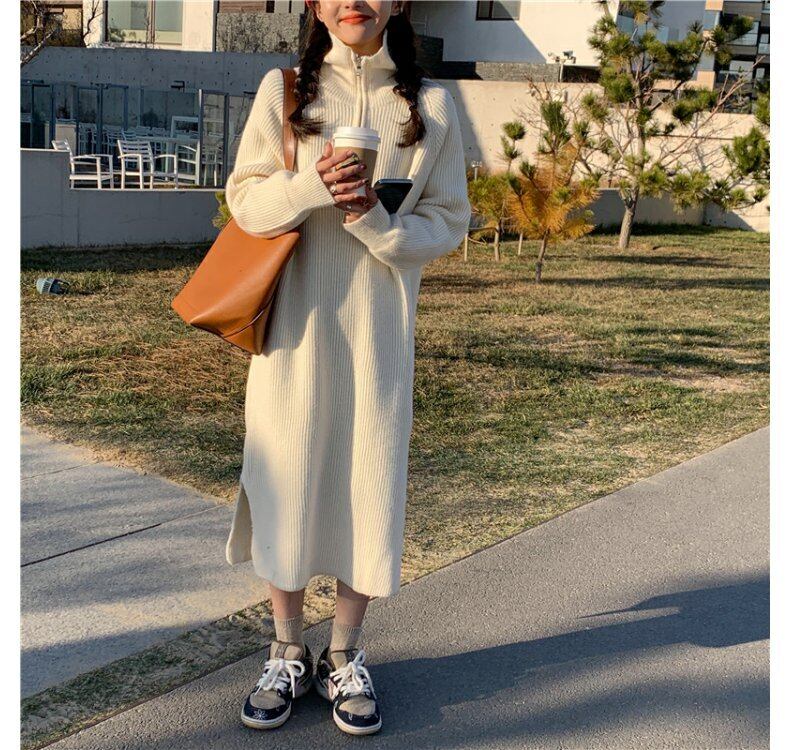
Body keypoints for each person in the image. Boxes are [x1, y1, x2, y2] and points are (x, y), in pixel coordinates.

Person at [223, 0, 471, 736]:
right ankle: (285, 649)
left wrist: (374, 220)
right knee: (287, 483)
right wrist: (313, 185)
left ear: (398, 2)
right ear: (314, 4)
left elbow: (448, 220)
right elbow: (245, 202)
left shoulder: (431, 105)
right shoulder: (283, 92)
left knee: (367, 483)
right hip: (292, 336)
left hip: (378, 336)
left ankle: (344, 653)